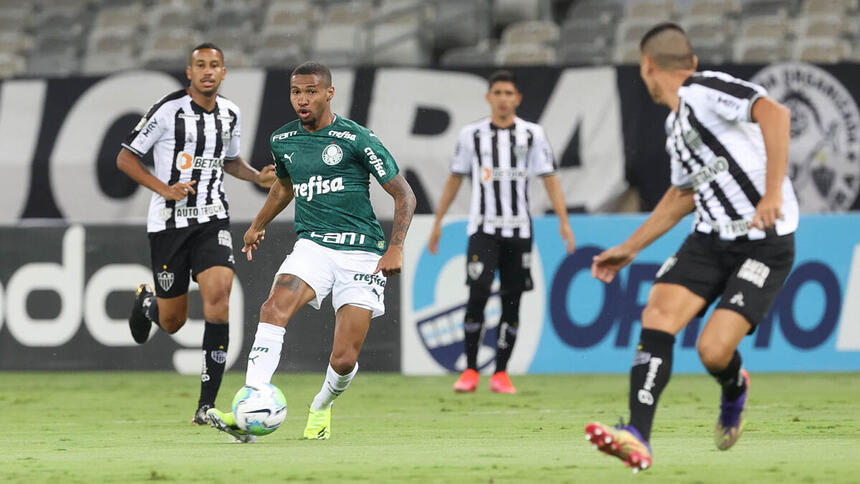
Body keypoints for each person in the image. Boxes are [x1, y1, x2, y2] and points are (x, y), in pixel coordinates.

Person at [584, 23, 797, 472]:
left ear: (647, 67)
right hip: (710, 238)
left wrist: (772, 193)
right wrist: (630, 247)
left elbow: (774, 113)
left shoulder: (703, 89)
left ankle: (734, 385)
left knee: (712, 352)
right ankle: (637, 436)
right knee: (657, 315)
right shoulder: (675, 124)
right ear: (689, 59)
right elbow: (683, 196)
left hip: (764, 243)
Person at [206, 61, 416, 442]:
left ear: (329, 93)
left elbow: (404, 193)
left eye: (311, 91)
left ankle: (321, 405)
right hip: (313, 245)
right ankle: (251, 401)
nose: (302, 100)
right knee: (273, 308)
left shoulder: (357, 138)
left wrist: (395, 248)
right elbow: (285, 187)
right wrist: (257, 225)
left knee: (344, 358)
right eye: (296, 92)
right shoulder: (283, 140)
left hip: (362, 253)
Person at [118, 43, 276, 425]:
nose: (208, 71)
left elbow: (230, 160)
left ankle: (205, 406)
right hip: (169, 226)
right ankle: (146, 304)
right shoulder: (167, 110)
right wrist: (164, 188)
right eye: (200, 65)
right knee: (172, 321)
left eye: (215, 65)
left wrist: (256, 177)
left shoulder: (231, 113)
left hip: (212, 219)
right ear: (189, 72)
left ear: (223, 73)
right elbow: (125, 157)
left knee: (219, 300)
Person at [428, 70, 575, 394]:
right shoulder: (472, 135)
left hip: (519, 230)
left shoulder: (532, 135)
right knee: (478, 293)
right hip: (483, 229)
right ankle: (469, 370)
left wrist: (564, 221)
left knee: (513, 300)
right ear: (489, 98)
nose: (504, 98)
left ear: (517, 99)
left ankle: (501, 373)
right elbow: (455, 177)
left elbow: (549, 177)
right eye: (498, 92)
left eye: (509, 93)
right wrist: (438, 221)